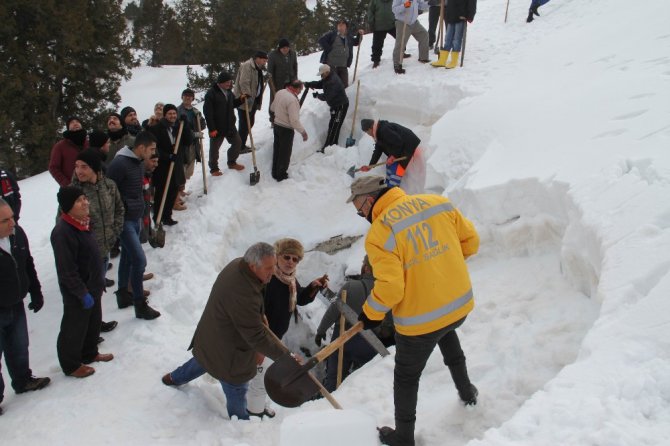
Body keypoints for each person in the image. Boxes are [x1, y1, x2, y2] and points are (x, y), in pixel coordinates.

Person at [346, 175, 480, 446]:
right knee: (445, 332)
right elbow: (471, 243)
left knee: (406, 376)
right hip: (457, 305)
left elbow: (391, 288)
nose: (360, 214)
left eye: (359, 209)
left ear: (370, 201)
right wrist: (441, 265)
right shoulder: (437, 203)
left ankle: (404, 438)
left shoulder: (381, 233)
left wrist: (370, 314)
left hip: (421, 322)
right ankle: (468, 392)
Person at [161, 242, 289, 420]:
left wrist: (260, 317)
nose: (273, 271)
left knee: (203, 358)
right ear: (254, 266)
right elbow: (256, 336)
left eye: (274, 265)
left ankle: (173, 378)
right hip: (229, 353)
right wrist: (285, 357)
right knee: (236, 386)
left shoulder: (238, 265)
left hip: (212, 335)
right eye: (269, 268)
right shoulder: (243, 293)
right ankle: (239, 422)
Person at [246, 238, 328, 418]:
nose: (291, 262)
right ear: (277, 257)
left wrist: (313, 287)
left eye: (295, 259)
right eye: (287, 257)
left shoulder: (290, 281)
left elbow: (299, 299)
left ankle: (257, 405)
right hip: (262, 337)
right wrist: (260, 339)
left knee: (261, 374)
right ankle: (254, 412)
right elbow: (255, 309)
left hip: (274, 337)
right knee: (261, 376)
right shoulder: (268, 280)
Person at [51, 186, 114, 379]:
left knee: (93, 322)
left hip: (93, 285)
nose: (86, 202)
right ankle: (70, 365)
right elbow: (67, 270)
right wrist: (81, 292)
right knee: (74, 327)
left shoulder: (84, 223)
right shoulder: (62, 232)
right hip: (78, 291)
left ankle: (89, 352)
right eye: (79, 200)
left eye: (85, 198)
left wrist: (98, 280)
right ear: (68, 206)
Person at [0, 199, 50, 416]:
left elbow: (27, 262)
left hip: (16, 303)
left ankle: (22, 380)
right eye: (5, 220)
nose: (13, 223)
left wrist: (35, 290)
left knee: (19, 346)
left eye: (12, 217)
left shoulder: (17, 233)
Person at [315, 255, 392, 391]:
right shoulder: (386, 292)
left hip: (342, 340)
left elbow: (334, 310)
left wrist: (321, 331)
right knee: (366, 382)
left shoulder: (351, 286)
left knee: (334, 380)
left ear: (367, 268)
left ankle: (327, 408)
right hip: (370, 343)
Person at [106, 131, 161, 320]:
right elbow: (109, 192)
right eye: (151, 149)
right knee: (139, 260)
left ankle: (123, 294)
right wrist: (118, 215)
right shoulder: (119, 164)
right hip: (124, 220)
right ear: (141, 147)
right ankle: (139, 304)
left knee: (129, 257)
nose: (153, 153)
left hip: (136, 217)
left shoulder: (138, 163)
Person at [71, 149, 124, 332]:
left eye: (84, 167)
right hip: (84, 255)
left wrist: (113, 234)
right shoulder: (73, 193)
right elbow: (63, 222)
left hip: (104, 249)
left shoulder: (109, 186)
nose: (79, 171)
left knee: (97, 289)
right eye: (77, 166)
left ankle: (95, 325)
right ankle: (85, 332)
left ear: (95, 169)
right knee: (85, 293)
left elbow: (119, 210)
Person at [148, 103, 193, 223]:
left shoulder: (179, 126)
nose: (172, 116)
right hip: (162, 166)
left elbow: (188, 140)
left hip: (176, 165)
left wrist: (186, 124)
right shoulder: (157, 129)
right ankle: (158, 218)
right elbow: (154, 148)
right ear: (165, 115)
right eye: (169, 113)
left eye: (174, 113)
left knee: (173, 192)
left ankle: (167, 217)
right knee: (161, 194)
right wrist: (167, 156)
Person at [359, 119, 424, 192]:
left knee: (395, 167)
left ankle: (393, 189)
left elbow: (398, 142)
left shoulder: (384, 129)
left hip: (409, 146)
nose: (368, 134)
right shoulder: (378, 133)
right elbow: (378, 150)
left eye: (367, 132)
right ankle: (388, 186)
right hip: (401, 149)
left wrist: (393, 156)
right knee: (389, 164)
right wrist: (370, 166)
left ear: (370, 128)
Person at [203, 71, 246, 176]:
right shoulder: (211, 93)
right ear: (220, 82)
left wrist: (240, 100)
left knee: (238, 143)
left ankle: (231, 162)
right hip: (217, 127)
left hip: (230, 125)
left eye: (230, 82)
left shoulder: (229, 93)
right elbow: (208, 112)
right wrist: (212, 128)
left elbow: (231, 105)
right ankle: (214, 169)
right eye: (226, 82)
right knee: (214, 149)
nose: (229, 84)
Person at [269, 80, 308, 181]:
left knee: (277, 149)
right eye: (301, 89)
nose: (300, 92)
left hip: (277, 126)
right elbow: (294, 121)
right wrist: (303, 132)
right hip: (286, 129)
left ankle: (275, 172)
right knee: (285, 153)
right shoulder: (292, 100)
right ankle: (281, 175)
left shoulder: (280, 92)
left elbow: (272, 108)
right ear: (297, 88)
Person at [305, 64, 349, 152]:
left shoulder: (332, 81)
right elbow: (320, 84)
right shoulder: (328, 77)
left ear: (327, 72)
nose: (321, 76)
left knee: (334, 126)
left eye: (322, 74)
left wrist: (317, 95)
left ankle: (329, 148)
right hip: (335, 106)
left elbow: (327, 96)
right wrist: (310, 84)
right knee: (333, 126)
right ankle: (331, 146)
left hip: (341, 106)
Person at [233, 51, 268, 152]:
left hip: (253, 101)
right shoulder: (247, 66)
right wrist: (247, 96)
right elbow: (244, 82)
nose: (265, 62)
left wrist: (264, 79)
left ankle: (241, 144)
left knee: (250, 123)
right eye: (264, 59)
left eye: (266, 60)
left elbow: (256, 82)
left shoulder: (257, 68)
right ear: (257, 58)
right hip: (244, 101)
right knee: (244, 124)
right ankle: (239, 147)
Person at [318, 19, 364, 87]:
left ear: (346, 27)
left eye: (342, 25)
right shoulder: (332, 34)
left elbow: (356, 42)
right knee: (332, 85)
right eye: (339, 25)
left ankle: (342, 97)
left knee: (344, 85)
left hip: (343, 65)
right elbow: (321, 40)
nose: (340, 27)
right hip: (331, 65)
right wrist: (329, 49)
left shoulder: (348, 37)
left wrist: (359, 35)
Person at [431, 0, 476, 69]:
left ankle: (454, 61)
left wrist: (470, 16)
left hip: (461, 15)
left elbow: (472, 3)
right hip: (451, 15)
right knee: (448, 38)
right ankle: (443, 60)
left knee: (457, 39)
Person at [392, 0, 431, 74]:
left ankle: (423, 58)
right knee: (400, 44)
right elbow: (394, 9)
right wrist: (404, 6)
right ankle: (397, 64)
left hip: (414, 22)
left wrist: (429, 3)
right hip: (403, 23)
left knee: (424, 35)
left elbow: (421, 5)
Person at [177, 88, 206, 185]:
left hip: (193, 144)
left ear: (193, 98)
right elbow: (176, 129)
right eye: (186, 96)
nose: (188, 98)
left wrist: (200, 118)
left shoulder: (195, 111)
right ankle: (179, 190)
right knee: (181, 167)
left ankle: (181, 187)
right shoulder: (177, 111)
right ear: (182, 97)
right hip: (181, 144)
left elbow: (202, 126)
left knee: (190, 168)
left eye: (190, 96)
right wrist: (194, 134)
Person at [49, 117, 88, 187]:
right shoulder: (60, 146)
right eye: (72, 122)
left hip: (92, 187)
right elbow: (53, 168)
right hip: (72, 190)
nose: (75, 123)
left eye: (77, 122)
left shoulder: (88, 143)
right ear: (68, 128)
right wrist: (67, 184)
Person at [267, 38, 298, 122]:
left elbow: (295, 67)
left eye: (287, 47)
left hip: (290, 82)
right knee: (275, 102)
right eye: (283, 48)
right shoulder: (273, 55)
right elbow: (270, 72)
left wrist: (295, 80)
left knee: (291, 100)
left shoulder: (293, 54)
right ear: (279, 48)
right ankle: (273, 119)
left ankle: (289, 117)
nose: (285, 49)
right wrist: (272, 86)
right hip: (277, 83)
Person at [368, 0, 400, 69]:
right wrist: (371, 23)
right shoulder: (374, 1)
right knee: (377, 45)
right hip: (379, 27)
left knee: (400, 38)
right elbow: (370, 12)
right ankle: (376, 60)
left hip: (392, 24)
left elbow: (397, 8)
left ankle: (401, 53)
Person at [140, 150, 159, 245]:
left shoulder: (148, 174)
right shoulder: (139, 175)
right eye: (153, 161)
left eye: (157, 161)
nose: (156, 164)